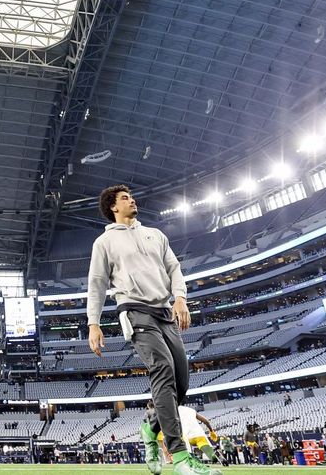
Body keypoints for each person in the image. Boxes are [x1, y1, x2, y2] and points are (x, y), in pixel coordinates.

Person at [87, 185, 218, 475]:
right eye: (124, 198)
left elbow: (174, 268)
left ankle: (150, 427)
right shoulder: (104, 243)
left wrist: (181, 298)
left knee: (180, 382)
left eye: (132, 195)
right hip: (134, 311)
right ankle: (181, 458)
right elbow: (96, 284)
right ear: (113, 207)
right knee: (163, 369)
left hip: (165, 312)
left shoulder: (155, 234)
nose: (132, 199)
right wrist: (93, 324)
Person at [155, 406, 220, 465]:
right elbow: (206, 421)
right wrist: (211, 431)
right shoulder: (191, 410)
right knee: (203, 444)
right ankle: (211, 455)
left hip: (185, 434)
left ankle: (194, 460)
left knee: (186, 451)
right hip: (199, 433)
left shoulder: (173, 411)